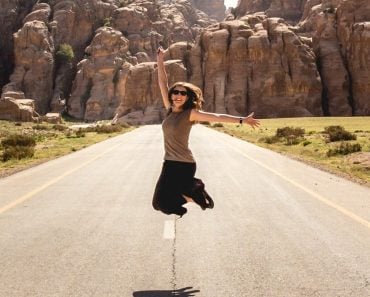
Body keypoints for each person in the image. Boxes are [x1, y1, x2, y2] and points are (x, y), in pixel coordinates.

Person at [152, 47, 260, 217]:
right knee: (158, 204)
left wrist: (242, 120)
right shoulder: (170, 110)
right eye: (175, 92)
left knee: (163, 203)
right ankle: (193, 195)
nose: (177, 95)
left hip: (183, 165)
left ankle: (196, 192)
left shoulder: (190, 114)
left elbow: (217, 116)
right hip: (169, 163)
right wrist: (160, 60)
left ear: (188, 97)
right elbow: (162, 83)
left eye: (182, 93)